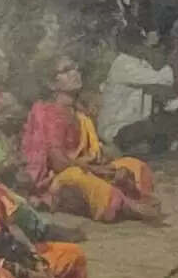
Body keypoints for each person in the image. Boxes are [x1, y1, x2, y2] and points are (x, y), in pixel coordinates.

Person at [18, 59, 159, 222]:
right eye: (66, 70)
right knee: (78, 177)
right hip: (60, 178)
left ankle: (132, 198)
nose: (75, 73)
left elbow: (94, 152)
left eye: (76, 68)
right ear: (51, 84)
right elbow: (58, 162)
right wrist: (96, 170)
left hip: (89, 168)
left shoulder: (80, 111)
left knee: (134, 165)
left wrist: (108, 165)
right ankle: (129, 205)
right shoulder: (50, 113)